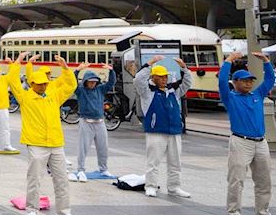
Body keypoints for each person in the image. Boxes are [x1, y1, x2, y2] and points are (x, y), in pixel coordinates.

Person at [9, 53, 80, 215]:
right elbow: (12, 81)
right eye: (39, 84)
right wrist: (18, 62)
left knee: (61, 178)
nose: (43, 87)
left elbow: (71, 85)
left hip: (56, 142)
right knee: (35, 177)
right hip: (36, 142)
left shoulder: (53, 95)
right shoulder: (25, 97)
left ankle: (63, 211)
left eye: (45, 84)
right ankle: (32, 210)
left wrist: (65, 68)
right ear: (32, 84)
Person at [218, 52, 276, 215]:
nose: (249, 83)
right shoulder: (230, 98)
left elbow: (269, 80)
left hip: (261, 142)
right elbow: (221, 82)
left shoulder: (257, 95)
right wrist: (228, 61)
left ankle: (263, 212)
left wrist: (266, 62)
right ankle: (233, 211)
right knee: (237, 178)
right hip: (241, 141)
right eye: (245, 80)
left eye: (250, 81)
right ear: (235, 82)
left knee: (264, 179)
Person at [131, 55, 193, 199]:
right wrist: (150, 63)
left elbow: (187, 83)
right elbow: (138, 79)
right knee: (153, 161)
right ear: (153, 77)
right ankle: (151, 186)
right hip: (156, 131)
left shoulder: (173, 91)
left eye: (165, 77)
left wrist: (184, 68)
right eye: (160, 77)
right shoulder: (147, 92)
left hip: (174, 131)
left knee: (175, 161)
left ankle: (174, 187)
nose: (164, 79)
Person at [73, 67, 116, 180]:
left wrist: (111, 71)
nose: (92, 84)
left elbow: (111, 82)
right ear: (86, 81)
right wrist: (77, 71)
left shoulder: (100, 89)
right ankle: (81, 169)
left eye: (94, 82)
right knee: (83, 147)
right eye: (90, 82)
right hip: (86, 121)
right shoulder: (81, 91)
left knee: (103, 147)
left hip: (100, 122)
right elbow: (72, 82)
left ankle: (104, 169)